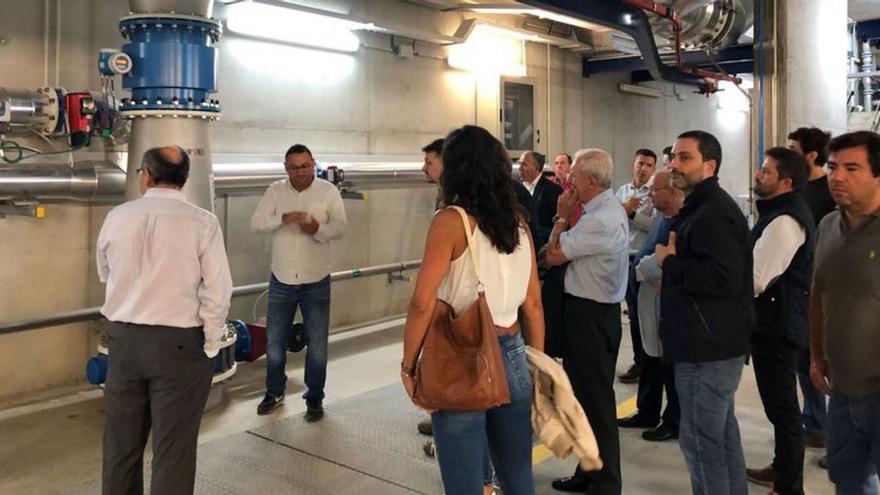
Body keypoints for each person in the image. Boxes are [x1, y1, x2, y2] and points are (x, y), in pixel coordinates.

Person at [401, 125, 544, 495]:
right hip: (513, 355)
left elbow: (422, 303)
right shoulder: (519, 225)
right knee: (517, 475)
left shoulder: (450, 221)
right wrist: (537, 362)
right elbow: (532, 302)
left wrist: (409, 363)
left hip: (461, 359)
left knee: (465, 482)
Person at [97, 146, 233, 495]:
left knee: (120, 446)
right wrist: (210, 342)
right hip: (179, 346)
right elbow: (218, 290)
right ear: (185, 179)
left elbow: (105, 272)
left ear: (145, 175)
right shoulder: (203, 222)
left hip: (124, 341)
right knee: (173, 451)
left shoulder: (117, 217)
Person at [655, 130, 753, 495]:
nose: (674, 165)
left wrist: (671, 263)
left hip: (706, 349)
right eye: (674, 157)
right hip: (709, 344)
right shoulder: (701, 208)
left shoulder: (713, 213)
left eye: (685, 158)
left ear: (709, 166)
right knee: (721, 439)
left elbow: (723, 279)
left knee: (700, 444)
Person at [545, 148, 629, 494]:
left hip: (591, 316)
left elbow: (552, 256)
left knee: (596, 403)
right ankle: (588, 471)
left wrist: (561, 218)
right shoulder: (600, 210)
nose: (568, 181)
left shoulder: (599, 219)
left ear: (592, 181)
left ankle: (605, 483)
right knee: (582, 401)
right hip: (585, 313)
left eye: (574, 176)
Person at [250, 144, 347, 420]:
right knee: (274, 342)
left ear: (313, 164)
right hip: (282, 279)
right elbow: (257, 222)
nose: (300, 172)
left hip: (316, 280)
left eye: (305, 166)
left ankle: (314, 397)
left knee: (317, 343)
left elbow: (340, 226)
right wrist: (282, 218)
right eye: (294, 167)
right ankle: (274, 392)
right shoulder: (276, 191)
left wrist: (317, 229)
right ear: (285, 168)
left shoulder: (328, 192)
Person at [810, 131, 880, 494]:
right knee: (848, 480)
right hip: (842, 387)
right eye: (833, 167)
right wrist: (815, 355)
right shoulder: (827, 227)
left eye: (852, 168)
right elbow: (819, 293)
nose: (837, 177)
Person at [745, 148, 814, 495]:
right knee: (779, 408)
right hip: (773, 324)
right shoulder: (777, 212)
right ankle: (781, 468)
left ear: (786, 182)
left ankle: (789, 486)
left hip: (779, 328)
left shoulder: (786, 221)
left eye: (765, 171)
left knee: (784, 410)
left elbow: (757, 278)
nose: (758, 175)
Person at [618, 170, 682, 443]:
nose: (650, 195)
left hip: (666, 306)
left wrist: (645, 268)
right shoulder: (661, 218)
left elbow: (664, 261)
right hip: (645, 301)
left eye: (655, 190)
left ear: (672, 191)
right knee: (648, 359)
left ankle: (674, 420)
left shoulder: (680, 222)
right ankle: (647, 410)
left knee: (669, 365)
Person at [786, 126, 834, 451]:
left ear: (811, 155)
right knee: (805, 360)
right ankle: (815, 421)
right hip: (800, 288)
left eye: (793, 149)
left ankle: (823, 425)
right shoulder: (798, 190)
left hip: (823, 290)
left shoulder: (829, 193)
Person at [616, 149, 658, 385]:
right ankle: (638, 360)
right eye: (641, 163)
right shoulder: (622, 191)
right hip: (621, 257)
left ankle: (645, 362)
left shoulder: (653, 195)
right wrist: (622, 209)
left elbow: (654, 226)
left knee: (641, 315)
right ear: (633, 164)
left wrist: (631, 214)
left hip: (640, 258)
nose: (643, 169)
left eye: (649, 165)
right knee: (631, 315)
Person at [519, 150, 562, 248]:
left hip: (543, 245)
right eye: (519, 164)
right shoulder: (519, 188)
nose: (520, 168)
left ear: (536, 167)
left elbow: (556, 221)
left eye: (524, 165)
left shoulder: (552, 189)